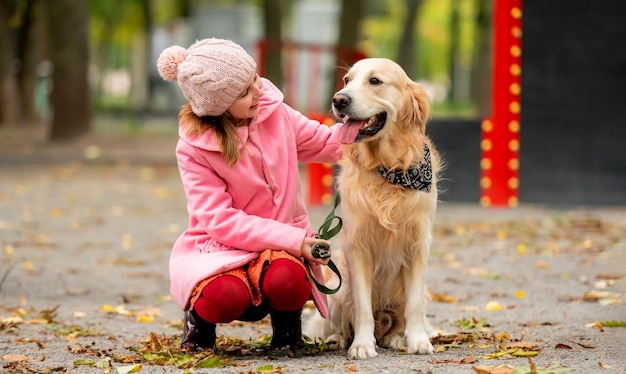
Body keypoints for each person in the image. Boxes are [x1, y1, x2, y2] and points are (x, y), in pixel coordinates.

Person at [156, 38, 351, 354]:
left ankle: (288, 332)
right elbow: (221, 221)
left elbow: (326, 142)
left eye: (255, 79)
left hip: (280, 251)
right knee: (223, 296)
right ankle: (199, 325)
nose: (259, 91)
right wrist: (296, 239)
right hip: (222, 248)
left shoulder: (276, 114)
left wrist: (368, 130)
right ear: (220, 106)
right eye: (245, 91)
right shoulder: (194, 147)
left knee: (289, 278)